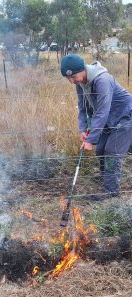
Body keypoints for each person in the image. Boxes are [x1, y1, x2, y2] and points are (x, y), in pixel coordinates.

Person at [60, 54, 132, 200]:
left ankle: (110, 192)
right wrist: (83, 129)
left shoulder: (102, 80)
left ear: (83, 70)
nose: (72, 81)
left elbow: (102, 111)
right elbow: (83, 108)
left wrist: (91, 139)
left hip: (125, 117)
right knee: (100, 150)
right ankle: (107, 177)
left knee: (111, 152)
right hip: (107, 121)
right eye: (68, 79)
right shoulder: (80, 83)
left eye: (73, 77)